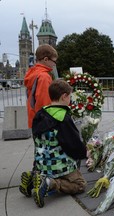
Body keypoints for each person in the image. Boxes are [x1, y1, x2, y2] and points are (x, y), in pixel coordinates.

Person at [19, 79, 87, 208]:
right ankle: (50, 183)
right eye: (70, 97)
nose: (70, 100)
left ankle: (32, 179)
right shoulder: (63, 117)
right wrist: (84, 152)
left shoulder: (40, 114)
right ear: (64, 96)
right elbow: (72, 144)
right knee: (80, 184)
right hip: (59, 165)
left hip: (41, 163)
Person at [24, 44, 58, 128]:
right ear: (46, 59)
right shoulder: (44, 76)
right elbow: (44, 102)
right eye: (54, 61)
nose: (55, 64)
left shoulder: (33, 72)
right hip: (43, 122)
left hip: (34, 118)